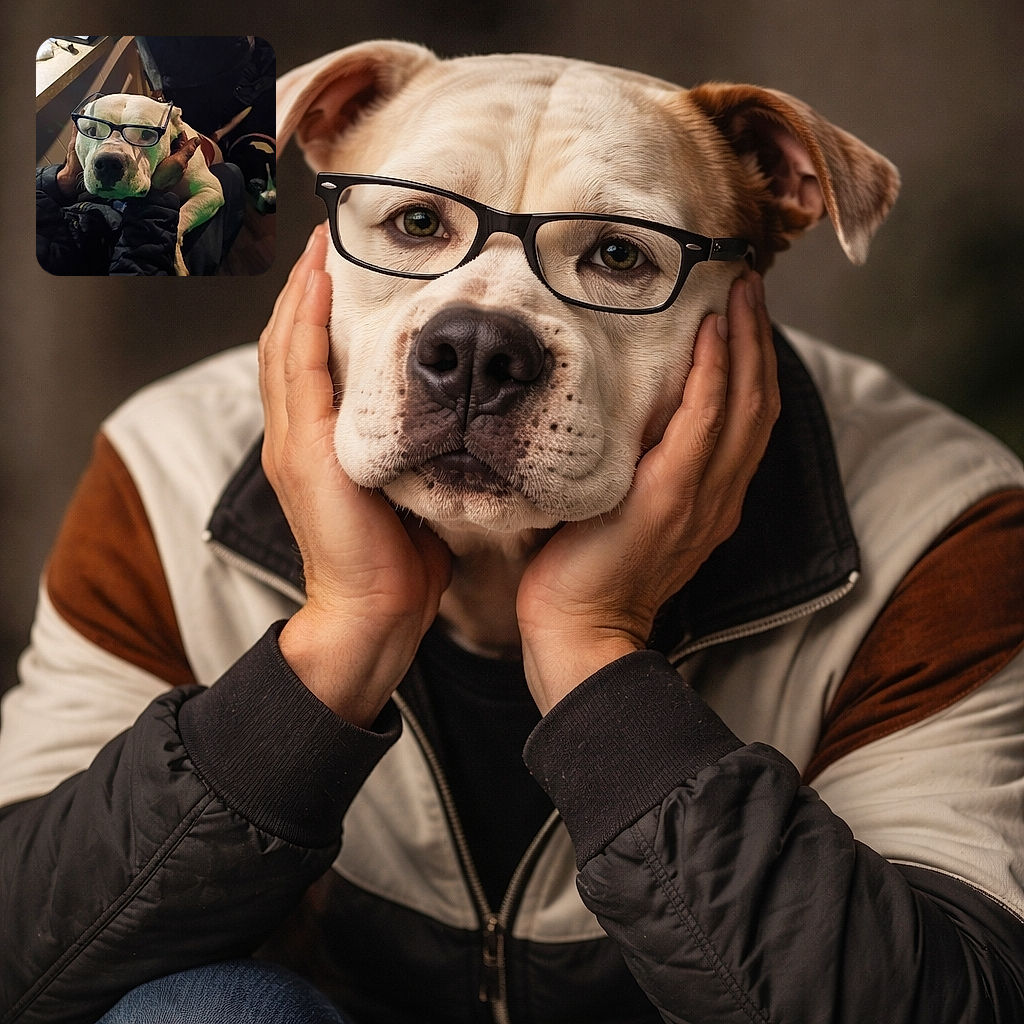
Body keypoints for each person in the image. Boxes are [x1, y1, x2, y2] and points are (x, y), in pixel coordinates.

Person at [1, 227, 1022, 1023]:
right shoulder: (165, 464)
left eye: (619, 254)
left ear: (746, 282)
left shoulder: (937, 519)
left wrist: (592, 643)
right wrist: (345, 630)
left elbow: (949, 1001)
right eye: (413, 224)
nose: (480, 329)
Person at [36, 125, 244, 276]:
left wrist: (63, 179)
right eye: (92, 132)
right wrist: (156, 193)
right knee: (230, 174)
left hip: (81, 215)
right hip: (132, 256)